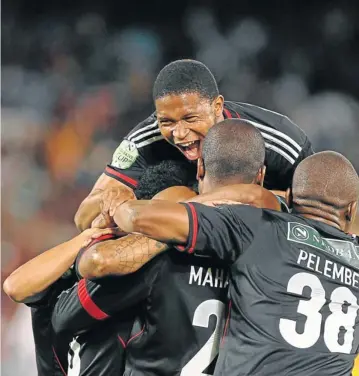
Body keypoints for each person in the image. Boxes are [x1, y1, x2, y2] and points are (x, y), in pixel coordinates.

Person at [51, 120, 282, 376]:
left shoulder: (156, 252)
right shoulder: (278, 254)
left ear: (200, 168)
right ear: (260, 175)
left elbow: (64, 316)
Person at [108, 150, 359, 376]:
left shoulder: (258, 225)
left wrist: (117, 204)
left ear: (291, 197)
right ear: (351, 209)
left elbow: (136, 216)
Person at [2, 161, 196, 376]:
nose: (179, 224)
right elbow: (15, 286)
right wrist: (85, 239)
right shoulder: (101, 258)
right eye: (172, 216)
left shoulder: (178, 262)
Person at [74, 59, 313, 231]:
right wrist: (115, 197)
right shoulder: (145, 141)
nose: (179, 134)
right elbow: (83, 219)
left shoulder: (279, 140)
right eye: (166, 121)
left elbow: (324, 212)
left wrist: (259, 199)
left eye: (190, 119)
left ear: (217, 107)